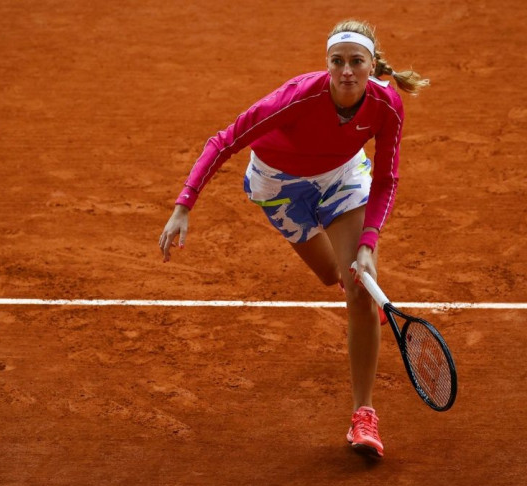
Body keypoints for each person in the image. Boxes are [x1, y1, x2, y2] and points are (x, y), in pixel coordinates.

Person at [159, 19, 428, 458]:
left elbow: (386, 177)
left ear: (371, 66)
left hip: (342, 178)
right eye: (337, 62)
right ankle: (343, 274)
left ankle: (364, 415)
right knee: (330, 274)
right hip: (277, 184)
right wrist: (183, 205)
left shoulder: (388, 105)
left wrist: (368, 242)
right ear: (327, 64)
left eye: (356, 62)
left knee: (359, 290)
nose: (346, 72)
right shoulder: (297, 98)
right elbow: (225, 140)